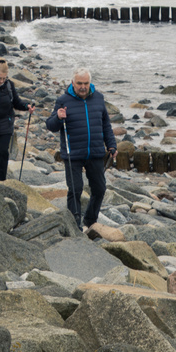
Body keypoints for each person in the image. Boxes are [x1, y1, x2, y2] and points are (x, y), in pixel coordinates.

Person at [46, 67, 116, 235]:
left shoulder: (98, 98)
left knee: (99, 189)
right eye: (79, 83)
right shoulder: (63, 100)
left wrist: (111, 145)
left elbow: (105, 124)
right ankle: (74, 224)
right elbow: (50, 125)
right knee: (75, 190)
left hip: (95, 152)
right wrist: (58, 117)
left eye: (86, 83)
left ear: (90, 83)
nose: (83, 87)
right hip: (73, 154)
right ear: (72, 82)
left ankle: (90, 220)